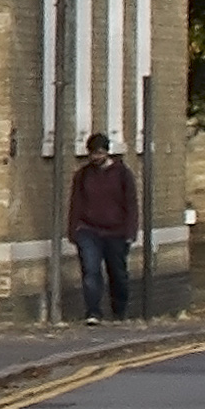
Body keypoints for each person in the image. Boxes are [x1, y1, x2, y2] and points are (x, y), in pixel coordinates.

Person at [68, 131, 141, 322]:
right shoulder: (82, 175)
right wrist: (73, 230)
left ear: (107, 153)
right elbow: (76, 203)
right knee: (90, 270)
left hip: (116, 231)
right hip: (88, 230)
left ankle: (119, 311)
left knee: (117, 273)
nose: (96, 157)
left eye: (99, 153)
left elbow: (131, 204)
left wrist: (130, 231)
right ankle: (93, 312)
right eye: (92, 153)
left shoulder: (122, 174)